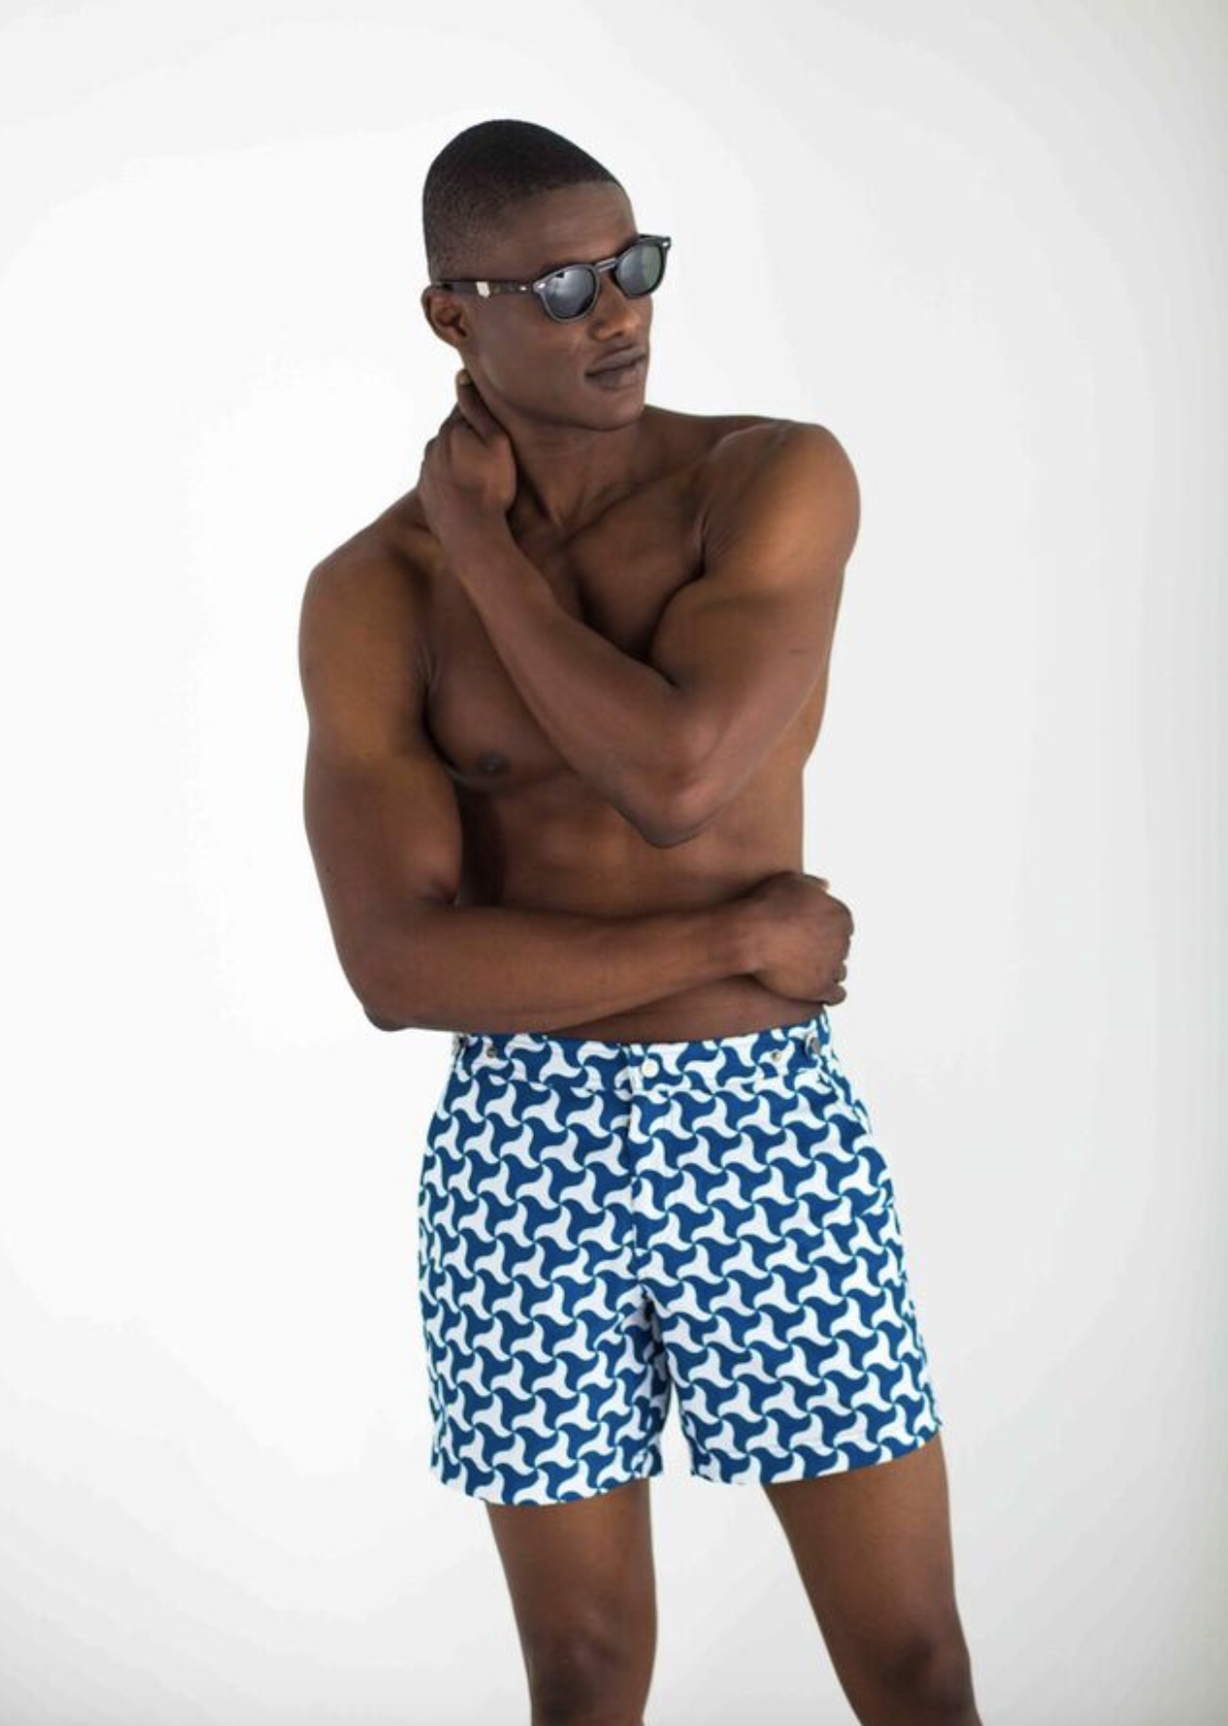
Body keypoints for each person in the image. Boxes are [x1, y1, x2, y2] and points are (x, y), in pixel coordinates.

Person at [298, 117, 982, 1726]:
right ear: (447, 314)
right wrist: (735, 944)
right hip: (520, 1148)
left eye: (633, 267)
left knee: (910, 1658)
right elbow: (398, 968)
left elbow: (679, 773)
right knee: (586, 1670)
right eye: (556, 285)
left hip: (763, 1127)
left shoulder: (767, 480)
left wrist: (489, 549)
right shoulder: (372, 591)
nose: (614, 312)